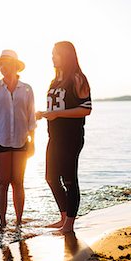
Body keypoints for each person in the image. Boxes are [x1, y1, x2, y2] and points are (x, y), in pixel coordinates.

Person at [36, 41, 92, 234]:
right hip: (54, 137)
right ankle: (63, 217)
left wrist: (58, 114)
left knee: (69, 179)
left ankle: (69, 224)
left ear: (66, 55)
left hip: (71, 137)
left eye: (55, 54)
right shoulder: (54, 81)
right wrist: (43, 114)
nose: (52, 57)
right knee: (50, 177)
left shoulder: (77, 78)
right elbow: (56, 109)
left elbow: (86, 109)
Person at [0, 49, 36, 229]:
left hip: (21, 141)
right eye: (1, 64)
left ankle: (19, 222)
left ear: (14, 65)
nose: (3, 67)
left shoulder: (27, 89)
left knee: (18, 183)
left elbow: (31, 118)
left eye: (6, 63)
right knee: (2, 183)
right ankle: (3, 223)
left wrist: (33, 142)